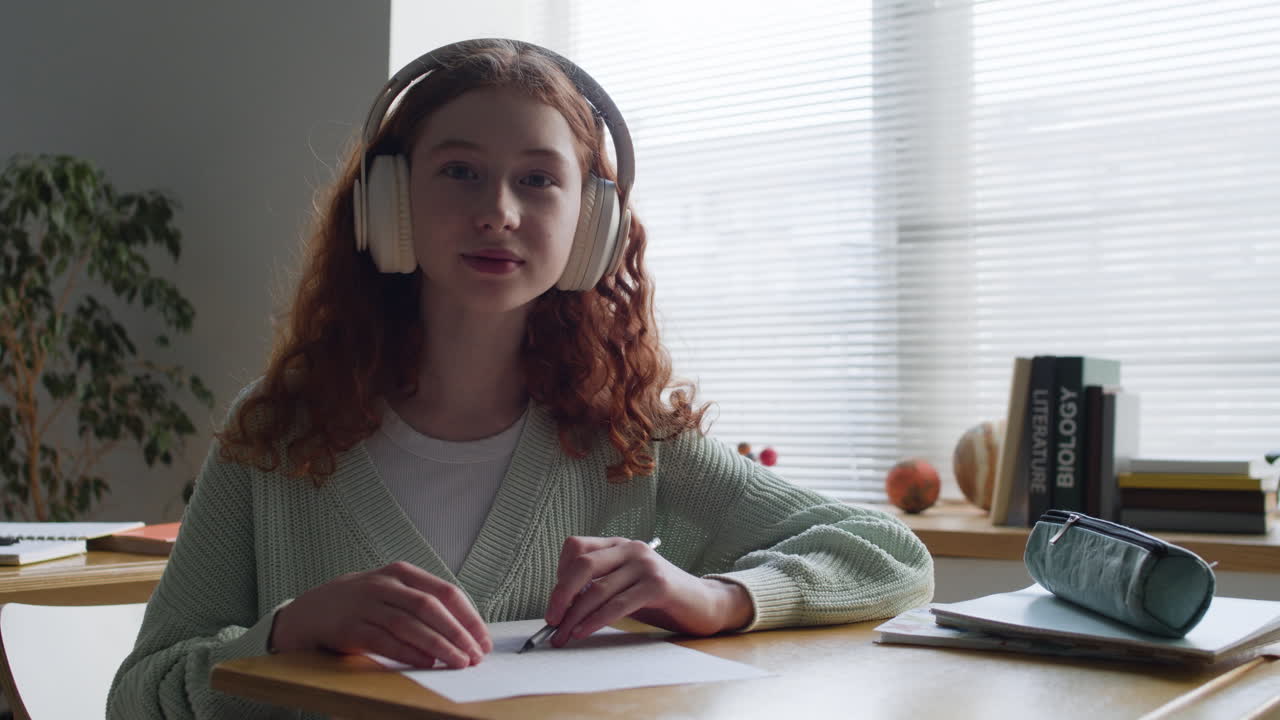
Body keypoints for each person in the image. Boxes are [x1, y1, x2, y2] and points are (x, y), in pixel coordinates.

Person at [107, 38, 933, 719]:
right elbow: (138, 695)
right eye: (459, 171)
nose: (497, 210)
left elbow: (889, 555)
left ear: (591, 222)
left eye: (538, 179)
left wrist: (716, 598)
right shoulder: (279, 433)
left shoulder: (625, 433)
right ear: (387, 201)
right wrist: (286, 631)